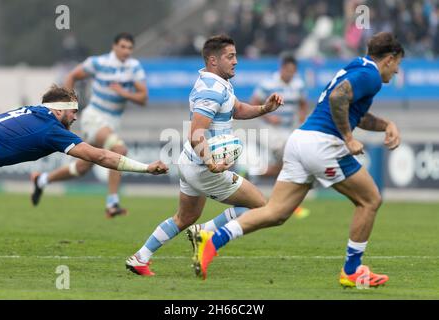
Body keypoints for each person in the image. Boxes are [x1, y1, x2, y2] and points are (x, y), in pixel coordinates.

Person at [193, 32, 404, 288]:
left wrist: (387, 125)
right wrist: (348, 138)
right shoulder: (371, 76)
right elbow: (339, 98)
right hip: (323, 144)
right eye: (398, 65)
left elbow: (354, 111)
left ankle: (212, 239)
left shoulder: (358, 66)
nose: (396, 73)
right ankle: (352, 271)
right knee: (370, 199)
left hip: (300, 140)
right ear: (390, 59)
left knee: (276, 212)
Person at [125, 34, 284, 276]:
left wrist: (264, 108)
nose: (236, 61)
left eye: (236, 56)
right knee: (260, 206)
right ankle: (206, 232)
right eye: (230, 56)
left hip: (191, 162)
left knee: (185, 216)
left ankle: (140, 257)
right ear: (213, 60)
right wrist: (211, 163)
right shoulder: (211, 90)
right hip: (203, 166)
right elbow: (196, 133)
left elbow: (237, 109)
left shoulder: (218, 83)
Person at [30, 32, 149, 218]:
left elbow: (143, 99)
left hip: (113, 122)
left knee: (82, 168)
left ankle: (42, 180)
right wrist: (70, 106)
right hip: (95, 116)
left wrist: (123, 93)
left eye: (130, 48)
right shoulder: (99, 63)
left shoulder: (134, 68)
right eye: (123, 47)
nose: (126, 51)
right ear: (114, 46)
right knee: (119, 149)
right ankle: (112, 203)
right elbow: (72, 75)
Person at [0, 85, 168, 180]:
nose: (75, 118)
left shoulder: (33, 110)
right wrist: (146, 168)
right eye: (73, 112)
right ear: (58, 111)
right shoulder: (51, 130)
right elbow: (100, 157)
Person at [248, 53, 310, 219]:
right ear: (282, 68)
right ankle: (290, 204)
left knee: (284, 167)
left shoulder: (298, 84)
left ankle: (253, 174)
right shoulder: (268, 83)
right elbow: (253, 103)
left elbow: (303, 103)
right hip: (269, 130)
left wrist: (303, 117)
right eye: (288, 70)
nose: (290, 74)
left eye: (293, 71)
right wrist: (269, 116)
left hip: (288, 130)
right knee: (291, 161)